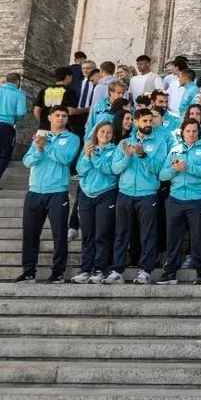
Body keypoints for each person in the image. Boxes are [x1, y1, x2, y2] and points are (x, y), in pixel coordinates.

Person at [15, 106, 80, 283]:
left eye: (64, 116)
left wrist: (47, 146)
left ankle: (58, 272)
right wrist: (39, 149)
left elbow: (66, 158)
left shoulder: (72, 138)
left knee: (59, 234)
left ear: (67, 119)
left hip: (57, 192)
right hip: (35, 191)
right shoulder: (40, 137)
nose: (61, 118)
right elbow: (27, 161)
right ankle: (28, 271)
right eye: (57, 115)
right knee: (30, 233)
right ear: (50, 118)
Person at [108, 108, 169, 285]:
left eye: (150, 121)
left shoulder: (160, 143)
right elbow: (115, 169)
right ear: (136, 122)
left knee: (148, 234)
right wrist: (127, 156)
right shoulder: (124, 143)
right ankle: (117, 270)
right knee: (122, 233)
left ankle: (146, 270)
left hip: (148, 194)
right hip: (125, 193)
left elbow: (158, 169)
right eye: (145, 121)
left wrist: (143, 155)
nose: (148, 124)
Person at [157, 119, 201, 284]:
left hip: (198, 199)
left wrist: (189, 167)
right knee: (173, 238)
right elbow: (162, 175)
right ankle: (170, 272)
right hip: (175, 199)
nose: (191, 134)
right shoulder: (175, 150)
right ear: (182, 132)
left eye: (194, 131)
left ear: (198, 132)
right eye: (188, 131)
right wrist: (174, 169)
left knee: (198, 237)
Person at [71, 121, 118, 284]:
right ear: (96, 133)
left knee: (102, 234)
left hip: (106, 194)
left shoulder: (115, 150)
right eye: (102, 132)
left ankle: (100, 269)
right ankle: (85, 269)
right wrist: (86, 155)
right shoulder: (88, 148)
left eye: (109, 132)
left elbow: (111, 170)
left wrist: (95, 158)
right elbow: (81, 170)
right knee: (88, 234)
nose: (105, 135)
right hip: (86, 194)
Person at [33, 67, 82, 131]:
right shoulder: (70, 91)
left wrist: (44, 123)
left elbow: (36, 111)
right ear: (68, 76)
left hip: (43, 129)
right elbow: (70, 111)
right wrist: (86, 110)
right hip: (61, 130)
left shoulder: (44, 90)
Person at [0, 73, 28, 183]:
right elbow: (21, 112)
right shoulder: (19, 94)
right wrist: (14, 119)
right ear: (18, 82)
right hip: (6, 126)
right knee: (4, 155)